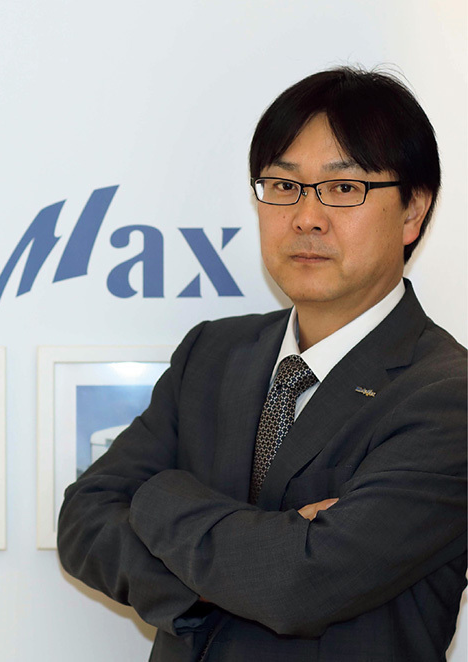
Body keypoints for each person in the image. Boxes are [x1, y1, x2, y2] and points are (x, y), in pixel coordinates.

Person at [57, 67, 467, 662]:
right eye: (283, 185)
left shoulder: (448, 397)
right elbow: (84, 519)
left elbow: (299, 585)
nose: (306, 216)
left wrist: (158, 495)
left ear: (413, 210)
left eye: (343, 187)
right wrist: (224, 582)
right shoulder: (212, 353)